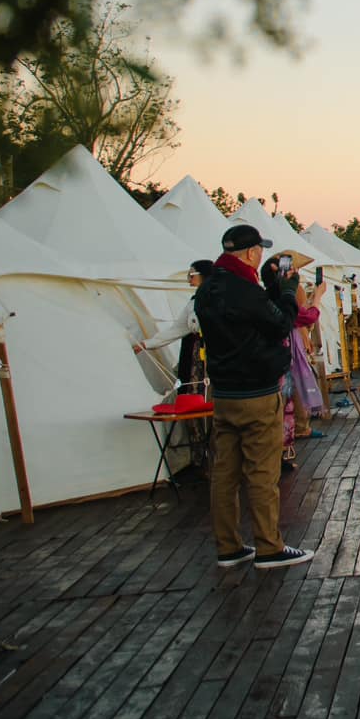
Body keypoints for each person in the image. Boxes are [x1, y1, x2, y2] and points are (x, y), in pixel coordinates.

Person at [192, 224, 314, 569]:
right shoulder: (244, 291)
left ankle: (229, 546)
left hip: (225, 392)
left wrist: (271, 289)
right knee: (262, 473)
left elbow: (253, 320)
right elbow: (278, 324)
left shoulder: (207, 289)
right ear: (250, 253)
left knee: (225, 472)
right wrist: (287, 291)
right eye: (259, 250)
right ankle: (268, 546)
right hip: (256, 392)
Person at [262, 256, 327, 467]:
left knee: (274, 409)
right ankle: (281, 453)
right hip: (281, 360)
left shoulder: (260, 298)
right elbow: (307, 316)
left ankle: (276, 452)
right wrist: (318, 296)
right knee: (283, 406)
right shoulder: (284, 299)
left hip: (264, 363)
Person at [135, 259, 214, 391]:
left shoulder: (220, 299)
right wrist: (147, 344)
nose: (189, 279)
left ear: (203, 275)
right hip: (197, 354)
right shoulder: (193, 303)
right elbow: (177, 329)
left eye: (191, 275)